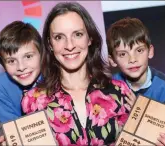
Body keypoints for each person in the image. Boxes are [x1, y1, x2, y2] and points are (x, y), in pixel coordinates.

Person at [21, 2, 136, 145]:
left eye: (78, 34)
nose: (69, 46)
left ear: (90, 38)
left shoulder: (120, 92)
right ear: (50, 44)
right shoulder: (33, 101)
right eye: (59, 37)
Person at [106, 17, 165, 145]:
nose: (132, 59)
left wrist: (141, 113)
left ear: (150, 51)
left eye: (139, 50)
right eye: (123, 54)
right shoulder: (108, 88)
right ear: (112, 60)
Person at [0, 21, 42, 143]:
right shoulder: (1, 85)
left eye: (28, 56)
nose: (21, 67)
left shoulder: (55, 76)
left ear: (42, 54)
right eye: (11, 61)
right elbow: (13, 128)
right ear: (3, 64)